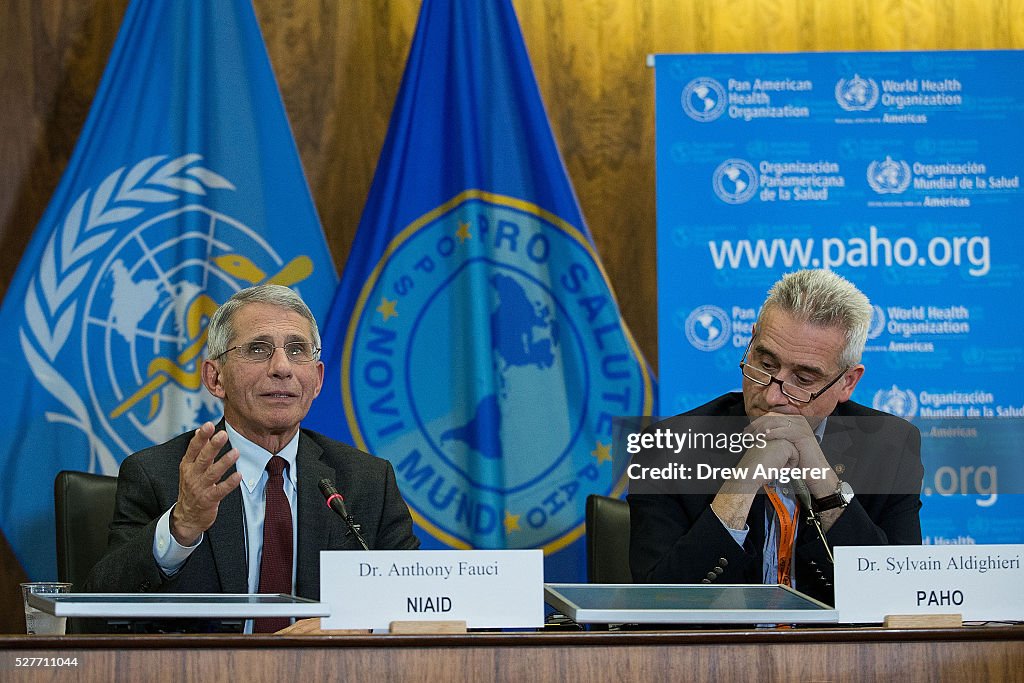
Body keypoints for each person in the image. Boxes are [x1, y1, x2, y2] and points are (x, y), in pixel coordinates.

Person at [86, 284, 419, 631]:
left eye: (297, 350)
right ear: (216, 378)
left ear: (317, 380)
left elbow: (418, 604)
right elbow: (101, 612)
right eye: (258, 349)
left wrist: (342, 629)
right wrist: (180, 526)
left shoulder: (366, 481)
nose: (282, 367)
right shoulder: (158, 474)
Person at [628, 270, 923, 605]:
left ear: (847, 383)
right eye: (765, 364)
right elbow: (660, 604)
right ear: (750, 342)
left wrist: (823, 483)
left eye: (803, 379)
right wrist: (739, 486)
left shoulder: (890, 448)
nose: (771, 396)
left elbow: (898, 597)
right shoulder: (668, 447)